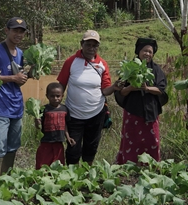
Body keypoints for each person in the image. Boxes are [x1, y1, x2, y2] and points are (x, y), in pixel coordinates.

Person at [57, 30, 123, 165]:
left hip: (96, 114)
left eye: (94, 46)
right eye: (88, 45)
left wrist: (114, 87)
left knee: (91, 148)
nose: (91, 48)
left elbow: (105, 90)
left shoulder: (102, 64)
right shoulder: (71, 61)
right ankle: (71, 178)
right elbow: (61, 85)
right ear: (82, 44)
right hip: (74, 114)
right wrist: (56, 106)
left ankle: (87, 178)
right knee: (73, 149)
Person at [0, 17, 29, 175]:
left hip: (17, 106)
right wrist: (12, 78)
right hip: (0, 107)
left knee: (13, 146)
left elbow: (18, 78)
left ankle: (7, 180)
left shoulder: (21, 53)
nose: (18, 34)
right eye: (15, 30)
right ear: (6, 31)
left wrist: (21, 79)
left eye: (21, 31)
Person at [114, 38, 168, 164]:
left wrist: (147, 88)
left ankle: (151, 167)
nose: (147, 54)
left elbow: (161, 90)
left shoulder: (156, 70)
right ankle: (128, 168)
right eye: (145, 51)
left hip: (150, 112)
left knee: (152, 141)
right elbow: (120, 92)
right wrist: (131, 88)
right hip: (132, 111)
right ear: (138, 51)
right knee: (130, 140)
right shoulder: (129, 69)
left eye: (150, 52)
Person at [34, 82, 75, 168]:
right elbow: (39, 126)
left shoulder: (65, 109)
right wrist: (37, 122)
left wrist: (68, 137)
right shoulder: (43, 109)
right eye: (52, 96)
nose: (55, 98)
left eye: (58, 96)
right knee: (43, 163)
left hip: (59, 142)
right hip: (46, 141)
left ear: (62, 96)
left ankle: (56, 180)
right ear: (47, 96)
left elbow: (65, 125)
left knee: (58, 164)